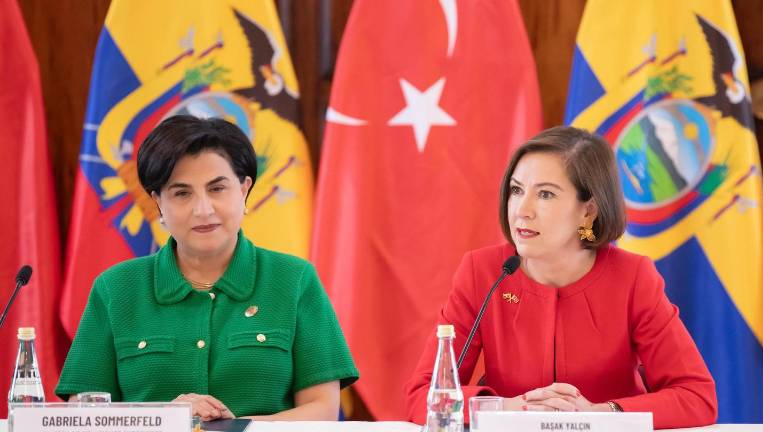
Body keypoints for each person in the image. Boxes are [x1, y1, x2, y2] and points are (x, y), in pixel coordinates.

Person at [405, 126, 717, 429]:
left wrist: (600, 414)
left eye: (545, 194)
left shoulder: (633, 278)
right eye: (516, 190)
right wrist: (509, 408)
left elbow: (697, 396)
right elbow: (423, 396)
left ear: (588, 211)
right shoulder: (482, 272)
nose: (522, 211)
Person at [56, 115, 359, 421]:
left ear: (243, 190)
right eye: (182, 193)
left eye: (217, 189)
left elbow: (322, 409)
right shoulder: (116, 288)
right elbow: (82, 413)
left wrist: (236, 428)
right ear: (157, 202)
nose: (203, 209)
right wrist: (165, 419)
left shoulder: (294, 280)